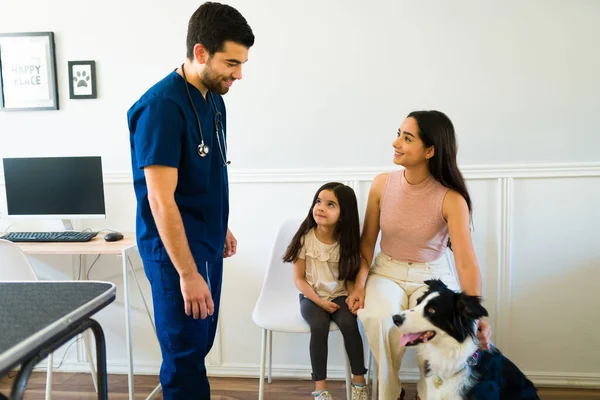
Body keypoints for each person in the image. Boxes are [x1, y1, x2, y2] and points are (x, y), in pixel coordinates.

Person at [126, 3, 254, 399]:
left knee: (200, 344)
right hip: (174, 255)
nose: (239, 74)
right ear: (200, 52)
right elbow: (161, 201)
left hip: (206, 241)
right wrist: (187, 274)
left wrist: (221, 226)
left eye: (243, 63)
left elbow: (207, 172)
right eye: (231, 63)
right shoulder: (161, 107)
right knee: (183, 357)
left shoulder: (215, 99)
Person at [346, 110, 492, 400]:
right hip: (387, 270)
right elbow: (366, 245)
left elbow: (465, 260)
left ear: (430, 150)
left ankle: (427, 395)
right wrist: (359, 285)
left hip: (433, 275)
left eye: (407, 138)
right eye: (398, 133)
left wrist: (473, 314)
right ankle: (390, 393)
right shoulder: (381, 184)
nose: (395, 142)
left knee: (435, 326)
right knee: (378, 318)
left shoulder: (451, 198)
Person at [282, 182, 370, 400]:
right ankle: (321, 389)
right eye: (318, 201)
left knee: (350, 324)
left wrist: (353, 294)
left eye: (330, 204)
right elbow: (299, 280)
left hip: (339, 295)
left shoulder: (346, 242)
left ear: (343, 215)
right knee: (319, 325)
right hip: (311, 297)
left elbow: (353, 273)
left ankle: (360, 384)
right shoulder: (305, 238)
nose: (320, 207)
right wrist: (320, 303)